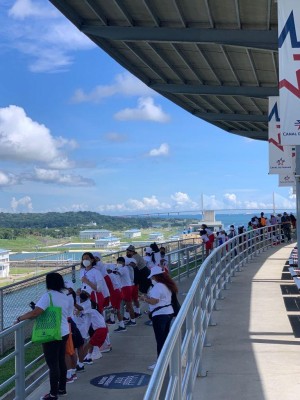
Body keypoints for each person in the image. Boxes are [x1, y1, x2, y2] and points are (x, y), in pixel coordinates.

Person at [15, 272, 70, 400]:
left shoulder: (48, 296)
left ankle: (53, 394)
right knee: (61, 361)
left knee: (53, 364)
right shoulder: (64, 296)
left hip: (51, 334)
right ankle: (62, 389)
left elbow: (36, 313)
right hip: (64, 332)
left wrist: (19, 318)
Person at [140, 266, 177, 371]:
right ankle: (166, 360)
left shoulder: (158, 287)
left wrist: (144, 298)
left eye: (152, 277)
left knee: (160, 339)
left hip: (160, 315)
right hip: (168, 313)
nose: (152, 279)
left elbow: (154, 301)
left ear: (155, 277)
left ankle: (160, 362)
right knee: (165, 338)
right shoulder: (166, 285)